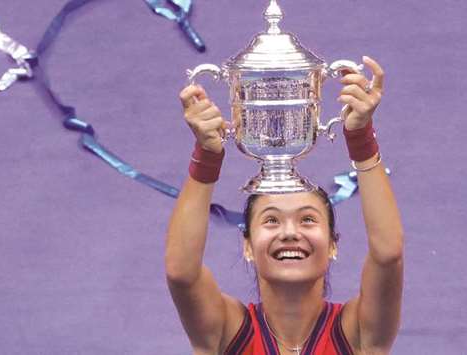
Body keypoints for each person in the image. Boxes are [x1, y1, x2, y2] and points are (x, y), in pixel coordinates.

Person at [166, 56, 404, 355]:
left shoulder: (357, 333)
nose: (290, 232)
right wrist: (207, 155)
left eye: (307, 220)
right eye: (271, 221)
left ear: (332, 244)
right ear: (248, 246)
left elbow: (388, 254)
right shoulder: (227, 331)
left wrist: (360, 139)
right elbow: (181, 273)